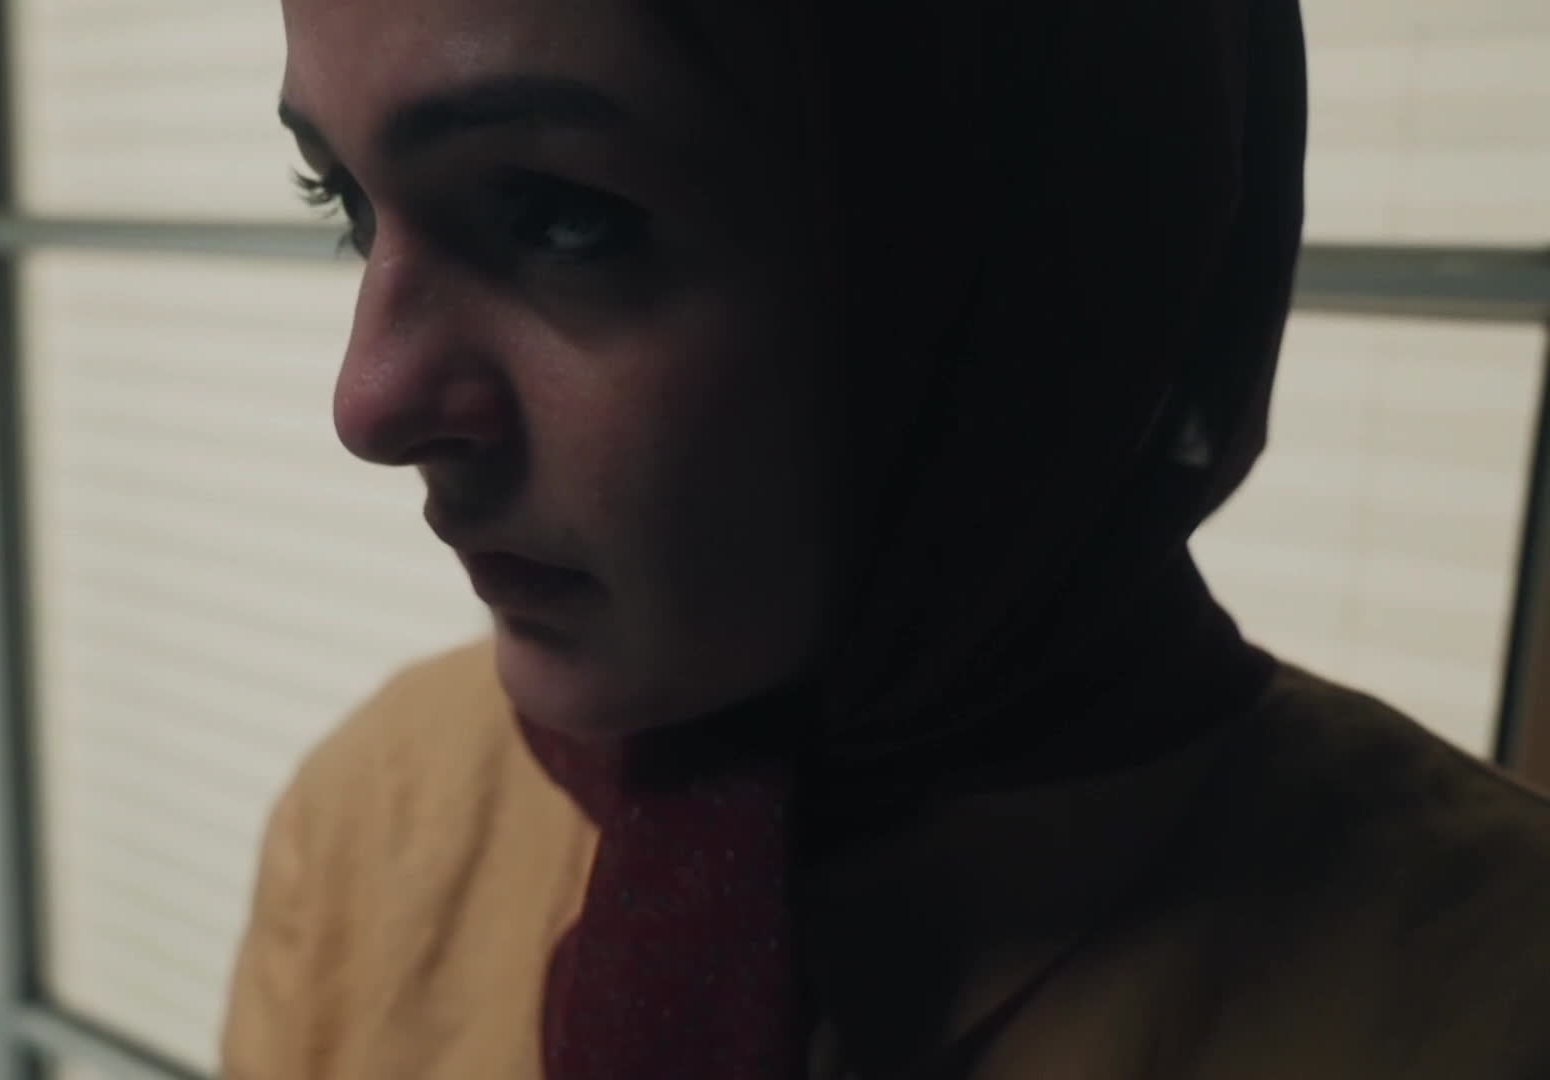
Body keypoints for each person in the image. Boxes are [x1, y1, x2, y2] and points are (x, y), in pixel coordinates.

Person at [222, 0, 1550, 1076]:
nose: (368, 404)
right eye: (346, 201)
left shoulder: (1492, 996)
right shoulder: (383, 810)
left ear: (1031, 251)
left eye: (562, 215)